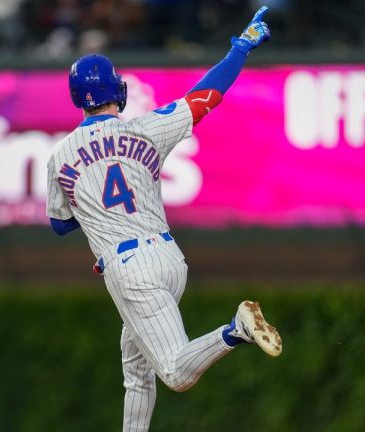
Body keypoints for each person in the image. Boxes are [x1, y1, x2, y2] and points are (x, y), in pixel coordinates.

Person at [46, 6, 282, 431]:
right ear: (117, 89)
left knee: (173, 372)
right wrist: (240, 48)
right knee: (136, 368)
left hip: (129, 269)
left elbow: (60, 224)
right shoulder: (144, 129)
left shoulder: (60, 155)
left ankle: (235, 330)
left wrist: (95, 214)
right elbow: (205, 97)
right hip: (170, 259)